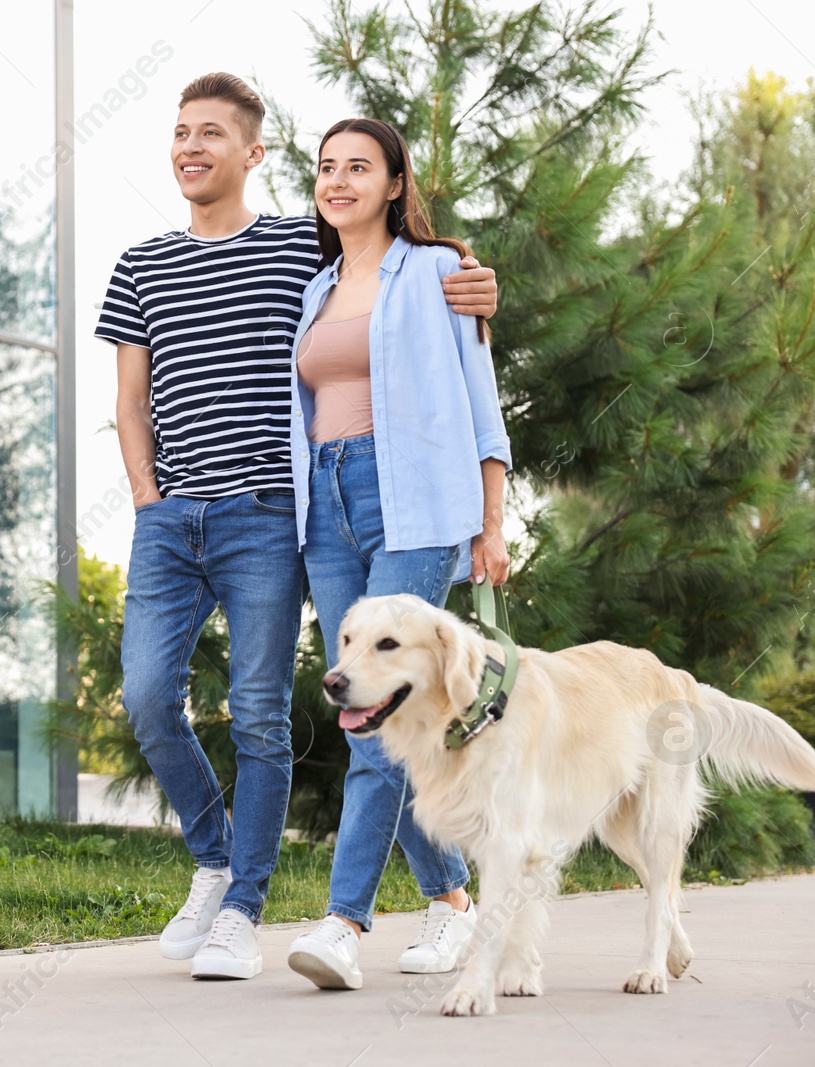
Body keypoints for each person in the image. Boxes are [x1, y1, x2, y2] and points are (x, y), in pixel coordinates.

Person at [95, 75, 498, 980]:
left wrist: (474, 280)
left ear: (252, 154)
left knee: (323, 713)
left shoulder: (349, 262)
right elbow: (133, 398)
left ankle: (301, 917)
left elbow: (456, 360)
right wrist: (146, 494)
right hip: (250, 512)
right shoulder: (225, 270)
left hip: (328, 509)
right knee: (172, 698)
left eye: (211, 134)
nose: (190, 147)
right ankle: (427, 895)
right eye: (179, 132)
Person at [281, 117, 512, 991]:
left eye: (358, 167)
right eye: (327, 168)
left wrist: (491, 524)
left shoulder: (441, 272)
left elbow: (481, 405)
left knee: (366, 719)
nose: (339, 180)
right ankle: (453, 903)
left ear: (393, 183)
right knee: (382, 723)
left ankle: (342, 923)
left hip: (411, 502)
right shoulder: (317, 288)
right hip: (329, 506)